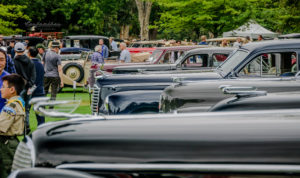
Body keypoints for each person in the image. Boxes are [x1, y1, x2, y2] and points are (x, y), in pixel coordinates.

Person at [0, 74, 25, 178]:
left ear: (12, 90)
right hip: (10, 142)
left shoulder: (11, 106)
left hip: (6, 144)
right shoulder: (18, 102)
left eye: (3, 87)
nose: (1, 89)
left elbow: (1, 127)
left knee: (7, 171)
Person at [13, 42, 36, 133]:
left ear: (15, 50)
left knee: (18, 109)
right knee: (26, 109)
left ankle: (21, 127)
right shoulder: (30, 61)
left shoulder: (14, 61)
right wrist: (29, 84)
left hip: (19, 88)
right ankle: (27, 126)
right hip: (29, 88)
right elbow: (34, 76)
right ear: (24, 50)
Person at [28, 47, 45, 126]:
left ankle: (26, 127)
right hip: (40, 90)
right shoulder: (40, 64)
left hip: (30, 90)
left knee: (26, 111)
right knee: (40, 114)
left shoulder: (28, 64)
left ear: (29, 54)